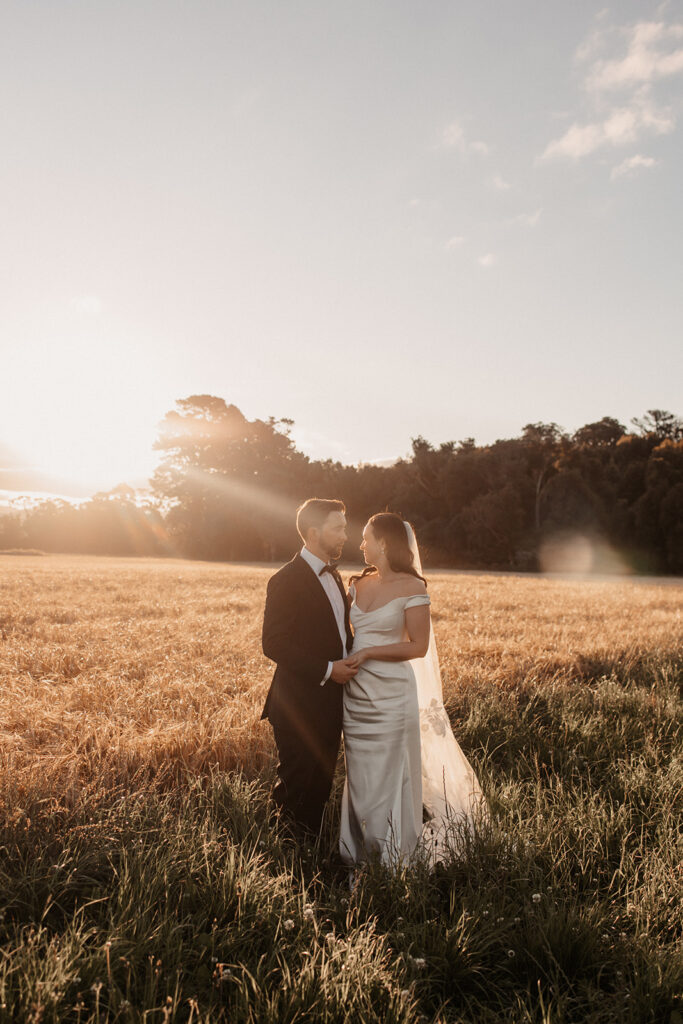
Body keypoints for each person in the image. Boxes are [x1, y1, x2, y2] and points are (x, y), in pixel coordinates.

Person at [340, 512, 488, 870]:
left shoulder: (413, 588)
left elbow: (418, 647)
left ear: (385, 543)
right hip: (357, 694)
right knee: (360, 773)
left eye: (366, 537)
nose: (361, 545)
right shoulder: (356, 585)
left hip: (393, 694)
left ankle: (394, 853)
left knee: (392, 773)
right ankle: (357, 850)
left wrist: (370, 651)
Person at [261, 498, 356, 839]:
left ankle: (309, 860)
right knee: (296, 788)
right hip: (298, 705)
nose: (346, 535)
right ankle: (284, 867)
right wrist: (330, 670)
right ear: (314, 533)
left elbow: (339, 634)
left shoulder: (335, 575)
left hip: (331, 704)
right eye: (339, 528)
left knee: (319, 788)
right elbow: (273, 643)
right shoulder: (285, 579)